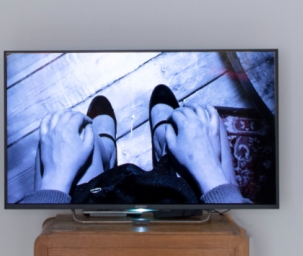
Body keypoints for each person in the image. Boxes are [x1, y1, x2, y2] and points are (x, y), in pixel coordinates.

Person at [17, 84, 251, 205]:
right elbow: (237, 226)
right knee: (207, 125)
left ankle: (106, 152)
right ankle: (165, 146)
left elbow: (37, 232)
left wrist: (56, 178)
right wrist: (207, 167)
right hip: (184, 207)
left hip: (91, 215)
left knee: (77, 135)